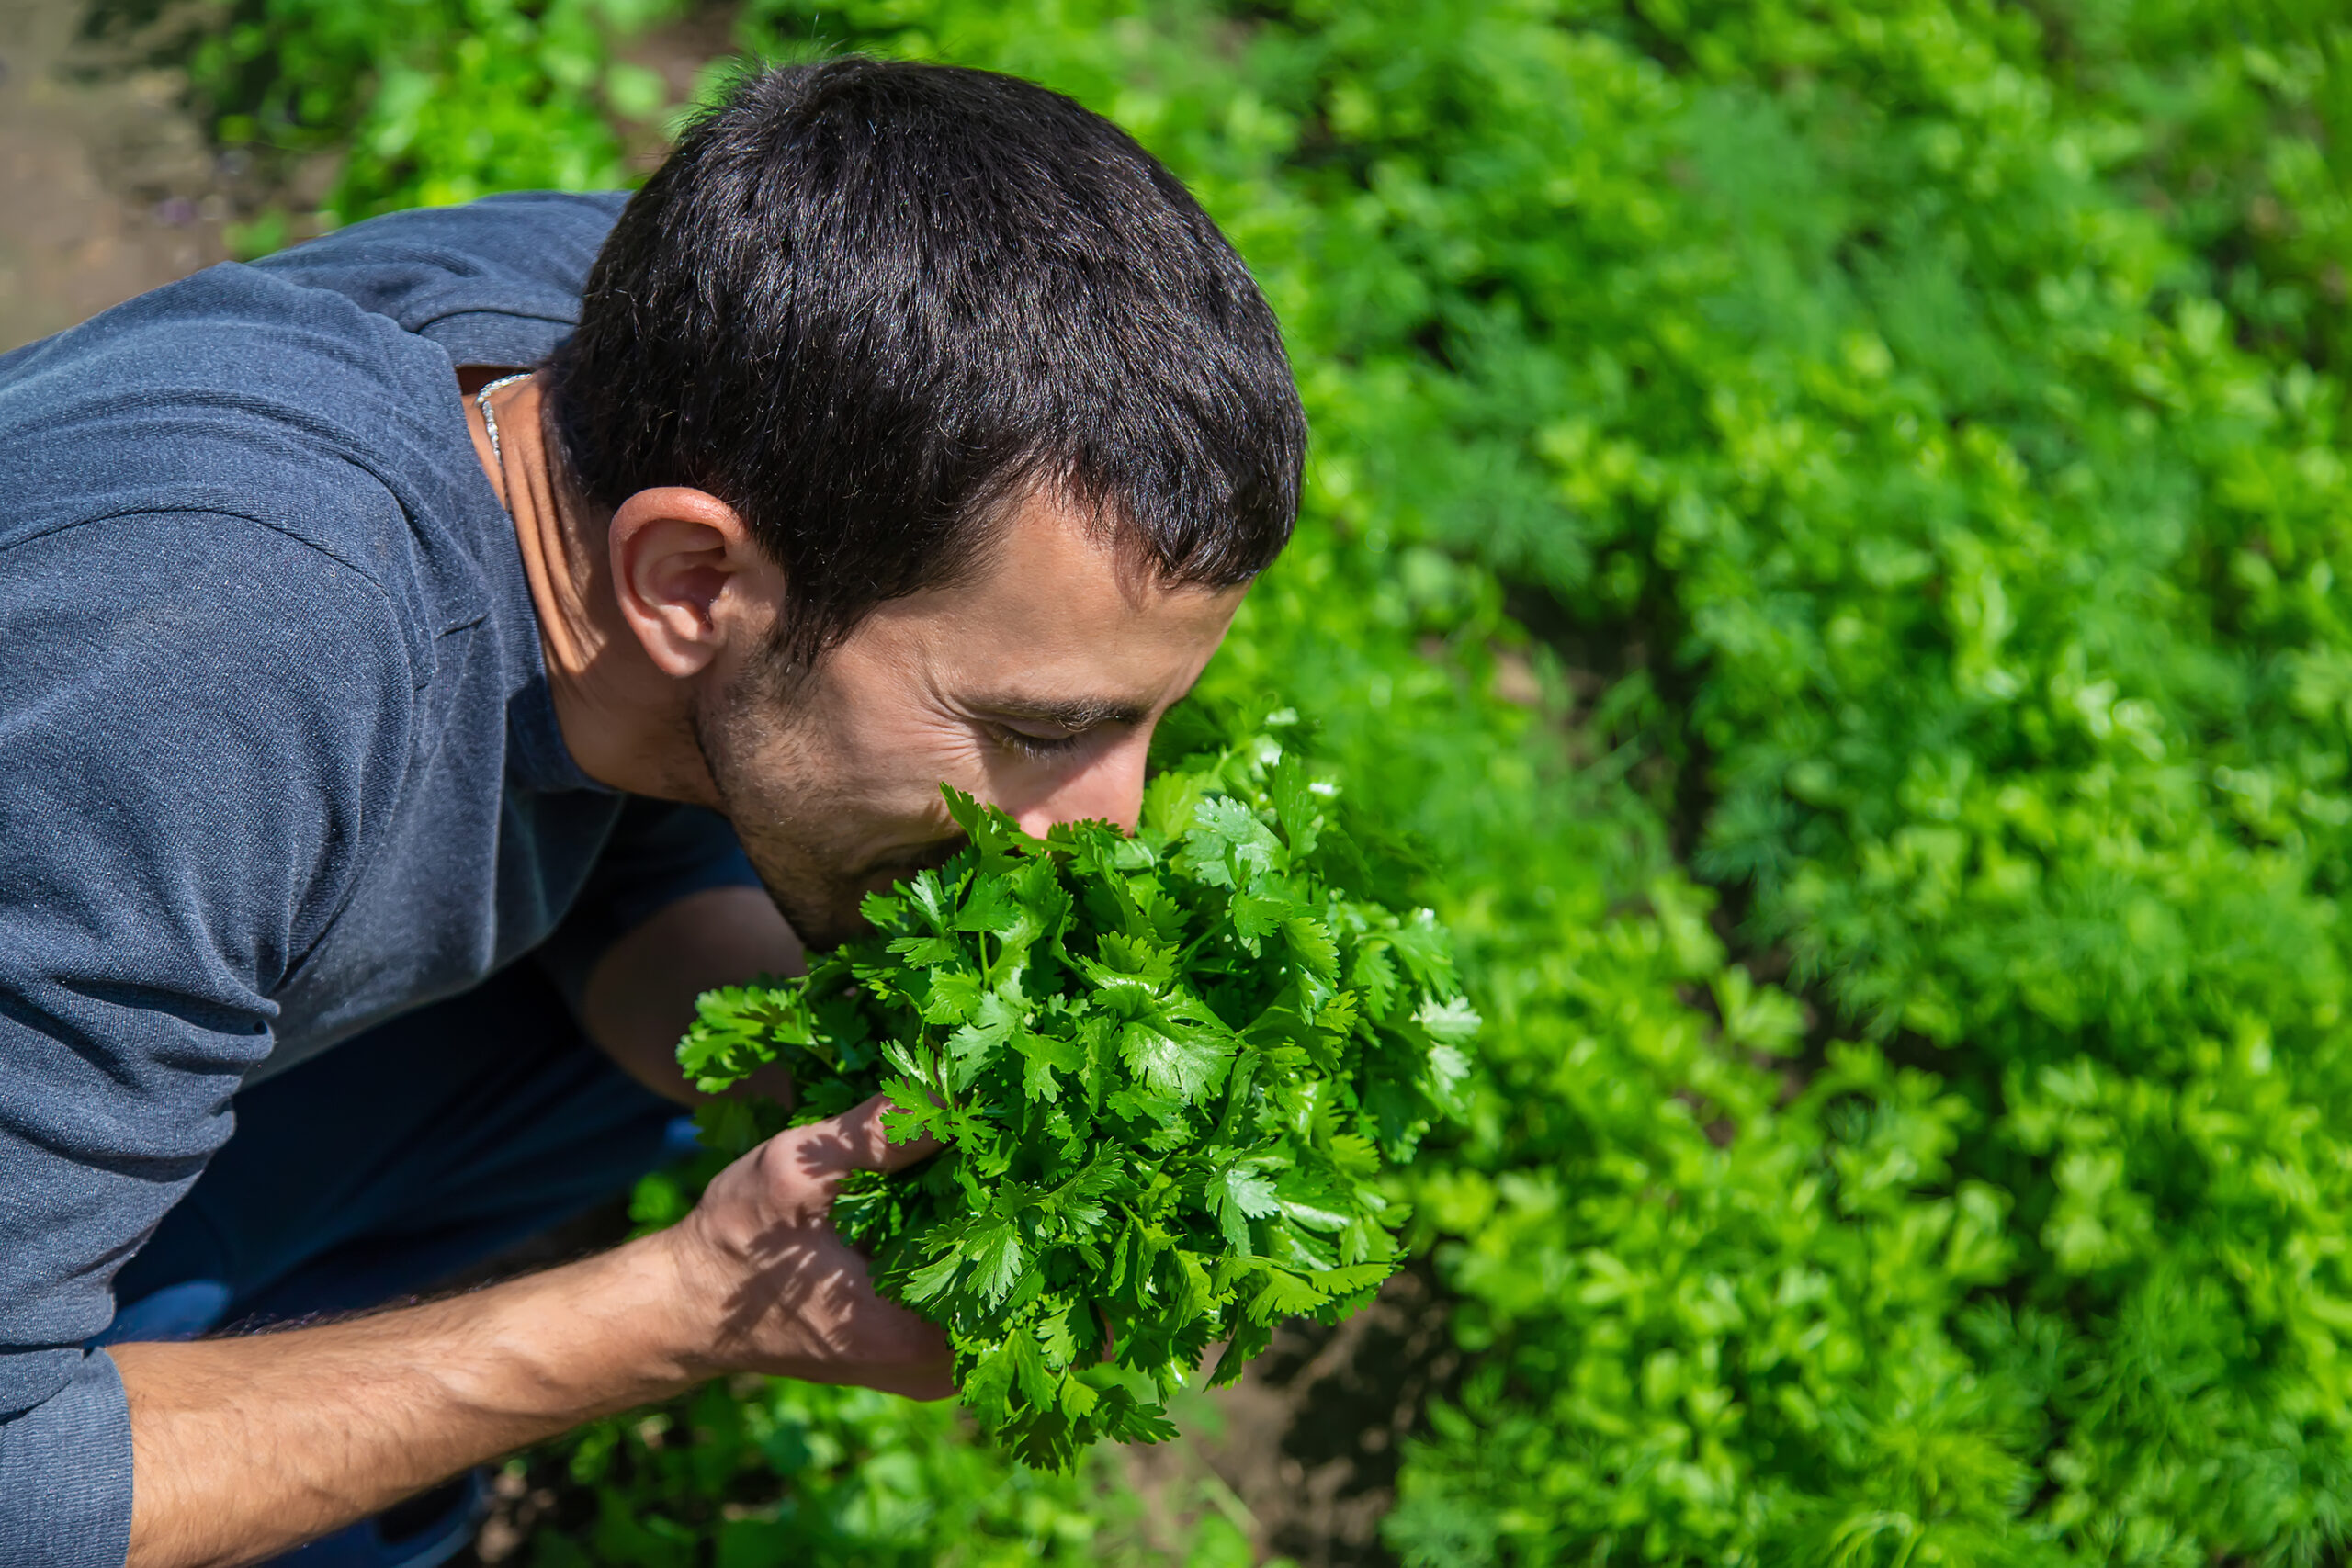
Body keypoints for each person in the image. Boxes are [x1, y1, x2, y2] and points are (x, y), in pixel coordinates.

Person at [0, 56, 1305, 1568]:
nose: (1109, 828)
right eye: (1034, 730)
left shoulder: (679, 354)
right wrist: (690, 1307)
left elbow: (653, 875)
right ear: (687, 579)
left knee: (713, 993)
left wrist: (952, 1137)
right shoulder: (220, 671)